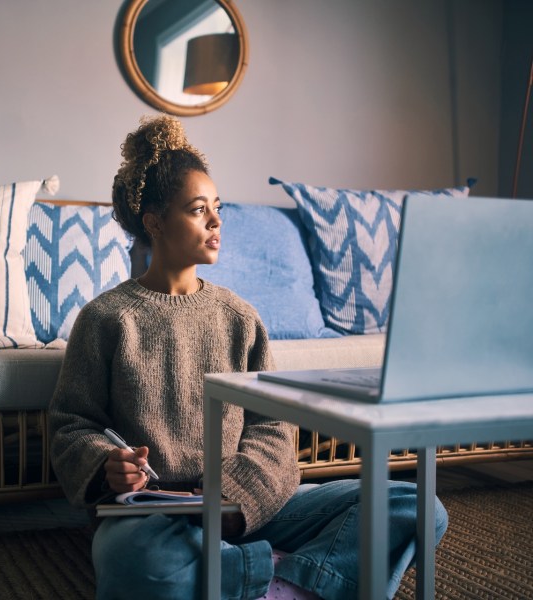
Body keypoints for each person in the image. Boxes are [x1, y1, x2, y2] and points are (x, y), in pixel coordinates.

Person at [48, 115, 448, 600]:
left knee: (416, 506)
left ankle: (273, 582)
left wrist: (232, 499)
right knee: (135, 560)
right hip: (154, 518)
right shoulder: (105, 319)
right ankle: (281, 574)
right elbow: (71, 424)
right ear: (154, 222)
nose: (216, 221)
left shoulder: (240, 317)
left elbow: (273, 428)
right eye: (198, 210)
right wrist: (107, 463)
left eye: (216, 208)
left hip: (242, 508)